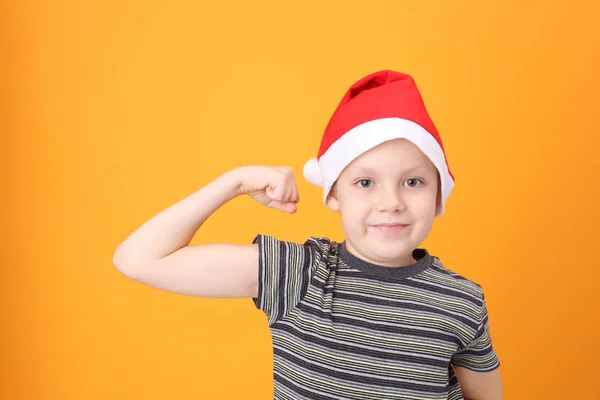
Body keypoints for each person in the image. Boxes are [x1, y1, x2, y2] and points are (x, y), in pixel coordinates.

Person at [113, 70, 503, 399]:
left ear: (439, 195)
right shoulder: (299, 273)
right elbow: (138, 259)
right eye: (365, 182)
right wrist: (233, 182)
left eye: (413, 181)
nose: (391, 202)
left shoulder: (461, 300)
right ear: (333, 193)